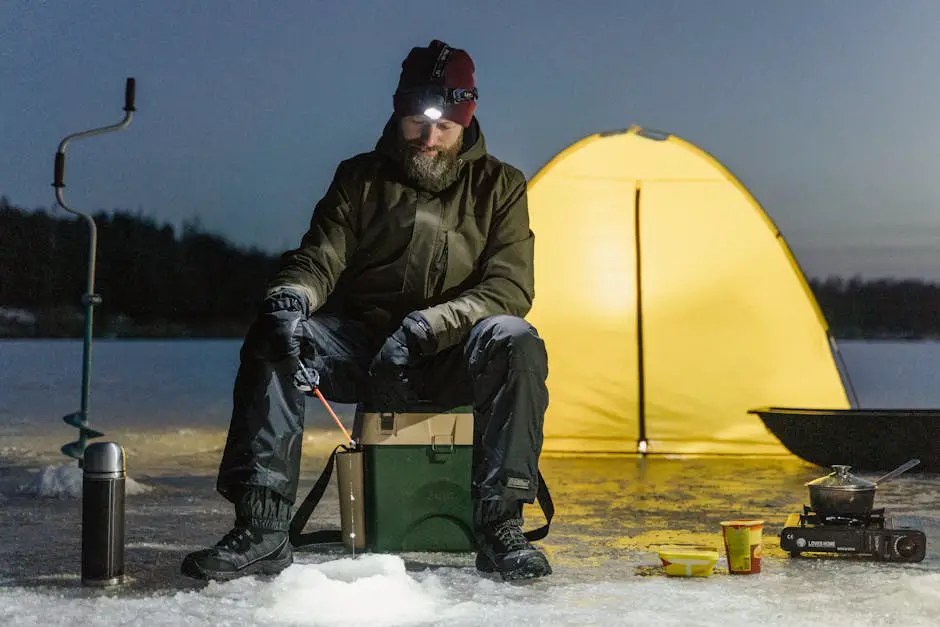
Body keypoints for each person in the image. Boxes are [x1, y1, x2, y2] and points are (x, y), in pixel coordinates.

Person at [181, 39, 552, 582]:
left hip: (452, 352)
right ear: (398, 113)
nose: (429, 139)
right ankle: (262, 528)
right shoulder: (359, 178)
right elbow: (320, 256)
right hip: (364, 348)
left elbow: (508, 287)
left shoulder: (501, 186)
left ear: (466, 121)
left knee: (516, 339)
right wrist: (291, 297)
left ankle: (501, 526)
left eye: (444, 128)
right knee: (276, 335)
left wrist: (427, 326)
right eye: (416, 124)